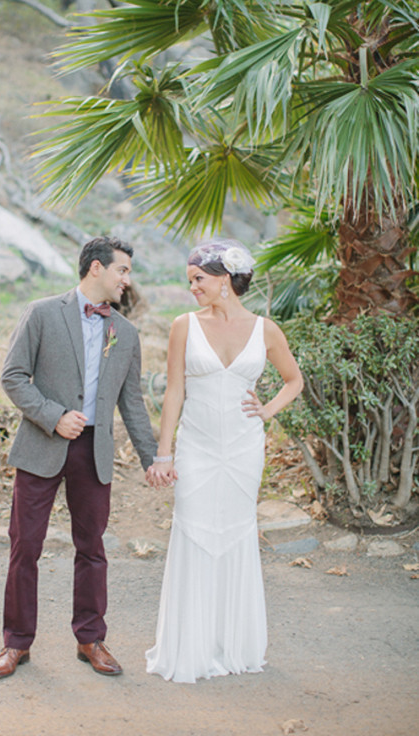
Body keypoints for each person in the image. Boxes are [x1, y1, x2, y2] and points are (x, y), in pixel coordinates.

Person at [0, 236, 157, 680]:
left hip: (95, 451)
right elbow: (13, 376)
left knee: (93, 549)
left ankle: (90, 639)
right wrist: (54, 416)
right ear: (96, 268)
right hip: (43, 442)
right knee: (26, 548)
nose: (127, 279)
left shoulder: (127, 332)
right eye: (122, 270)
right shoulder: (42, 312)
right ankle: (15, 644)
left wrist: (151, 458)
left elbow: (132, 403)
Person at [145, 238, 304, 683]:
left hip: (243, 448)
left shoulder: (266, 330)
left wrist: (267, 410)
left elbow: (294, 381)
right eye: (190, 279)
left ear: (225, 280)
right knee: (193, 531)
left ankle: (233, 645)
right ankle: (190, 648)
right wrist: (164, 452)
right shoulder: (183, 325)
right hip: (197, 446)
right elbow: (174, 391)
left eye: (199, 278)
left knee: (236, 534)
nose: (192, 286)